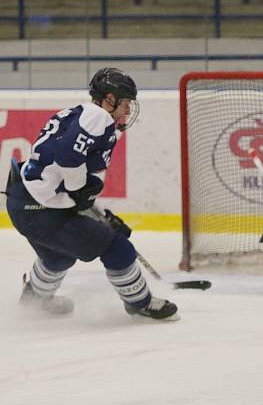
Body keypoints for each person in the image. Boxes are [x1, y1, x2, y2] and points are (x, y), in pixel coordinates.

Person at [5, 68, 178, 321]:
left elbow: (74, 182)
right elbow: (68, 159)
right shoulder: (98, 117)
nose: (128, 110)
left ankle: (35, 300)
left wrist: (102, 215)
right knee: (118, 249)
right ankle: (140, 304)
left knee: (58, 256)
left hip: (23, 202)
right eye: (126, 103)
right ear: (110, 99)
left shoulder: (79, 114)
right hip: (42, 209)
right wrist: (78, 191)